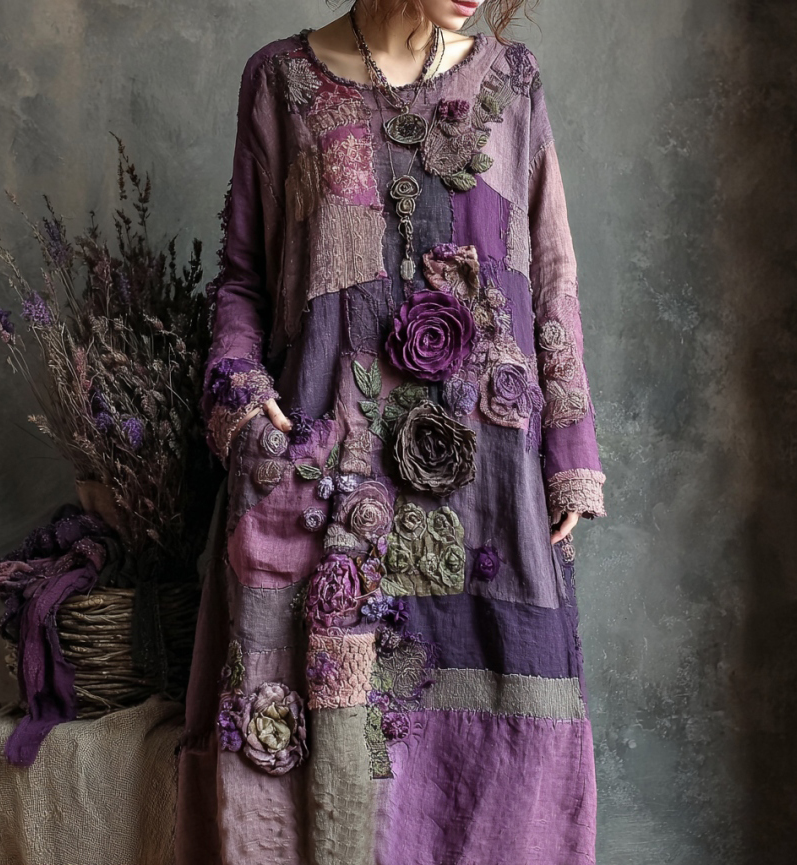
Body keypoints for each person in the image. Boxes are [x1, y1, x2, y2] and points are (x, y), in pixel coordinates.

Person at [176, 1, 607, 863]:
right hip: (327, 487)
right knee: (322, 780)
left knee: (503, 762)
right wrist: (242, 397)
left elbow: (551, 275)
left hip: (491, 488)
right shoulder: (283, 82)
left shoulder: (511, 82)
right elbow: (242, 280)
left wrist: (570, 448)